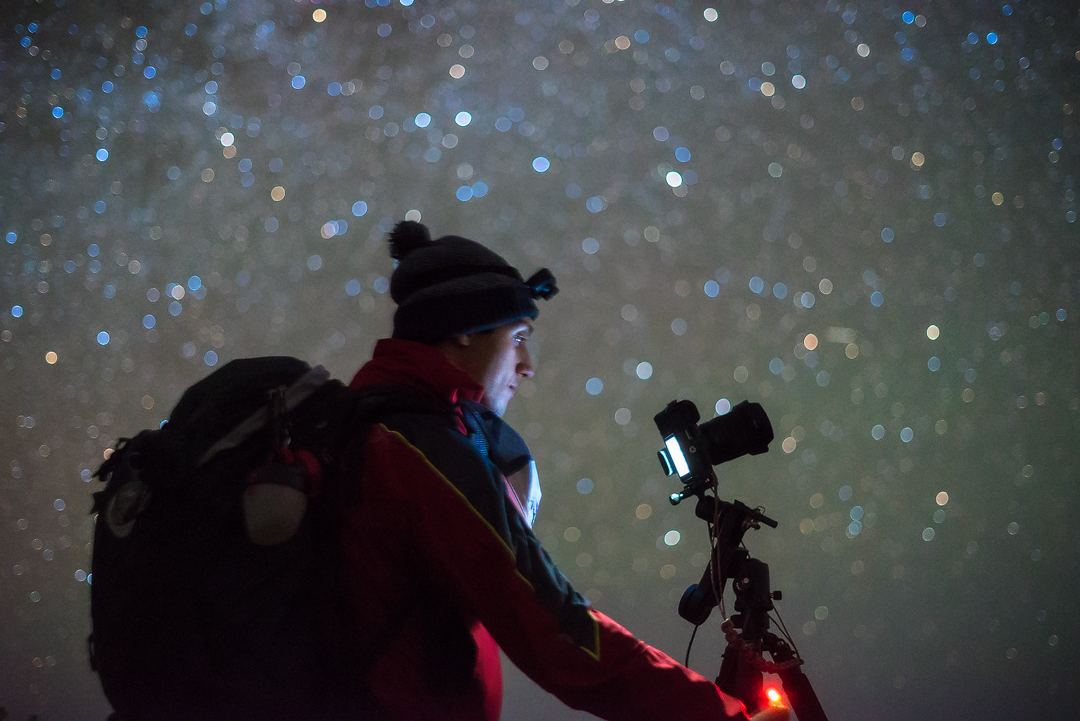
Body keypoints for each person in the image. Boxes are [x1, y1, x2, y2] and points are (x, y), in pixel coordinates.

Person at [336, 220, 786, 720]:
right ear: (463, 328)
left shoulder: (380, 428)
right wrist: (720, 715)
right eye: (519, 336)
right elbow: (560, 632)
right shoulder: (424, 453)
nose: (527, 364)